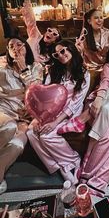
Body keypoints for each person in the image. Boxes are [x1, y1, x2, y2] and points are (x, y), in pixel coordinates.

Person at [27, 40, 90, 184]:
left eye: (63, 51)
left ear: (71, 50)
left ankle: (72, 160)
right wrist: (38, 118)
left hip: (69, 112)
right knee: (31, 132)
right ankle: (57, 164)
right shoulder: (53, 71)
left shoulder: (83, 73)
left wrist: (56, 121)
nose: (61, 55)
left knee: (46, 136)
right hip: (50, 110)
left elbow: (76, 103)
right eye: (56, 54)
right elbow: (45, 96)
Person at [57, 42, 109, 134]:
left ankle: (80, 122)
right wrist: (99, 98)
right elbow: (105, 82)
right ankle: (80, 120)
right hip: (98, 102)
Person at [0, 36, 43, 194]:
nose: (15, 48)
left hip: (25, 117)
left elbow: (37, 93)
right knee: (9, 127)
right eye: (11, 46)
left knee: (18, 144)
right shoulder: (2, 65)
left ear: (27, 48)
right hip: (3, 111)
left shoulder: (36, 67)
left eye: (20, 45)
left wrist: (24, 68)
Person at [75, 8, 109, 91]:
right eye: (96, 18)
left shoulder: (107, 32)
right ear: (89, 21)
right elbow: (79, 55)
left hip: (106, 67)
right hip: (90, 69)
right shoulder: (85, 35)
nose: (100, 20)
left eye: (101, 17)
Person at [22, 0, 62, 64]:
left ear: (55, 40)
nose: (50, 33)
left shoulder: (54, 53)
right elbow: (30, 20)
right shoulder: (36, 36)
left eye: (54, 34)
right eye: (49, 30)